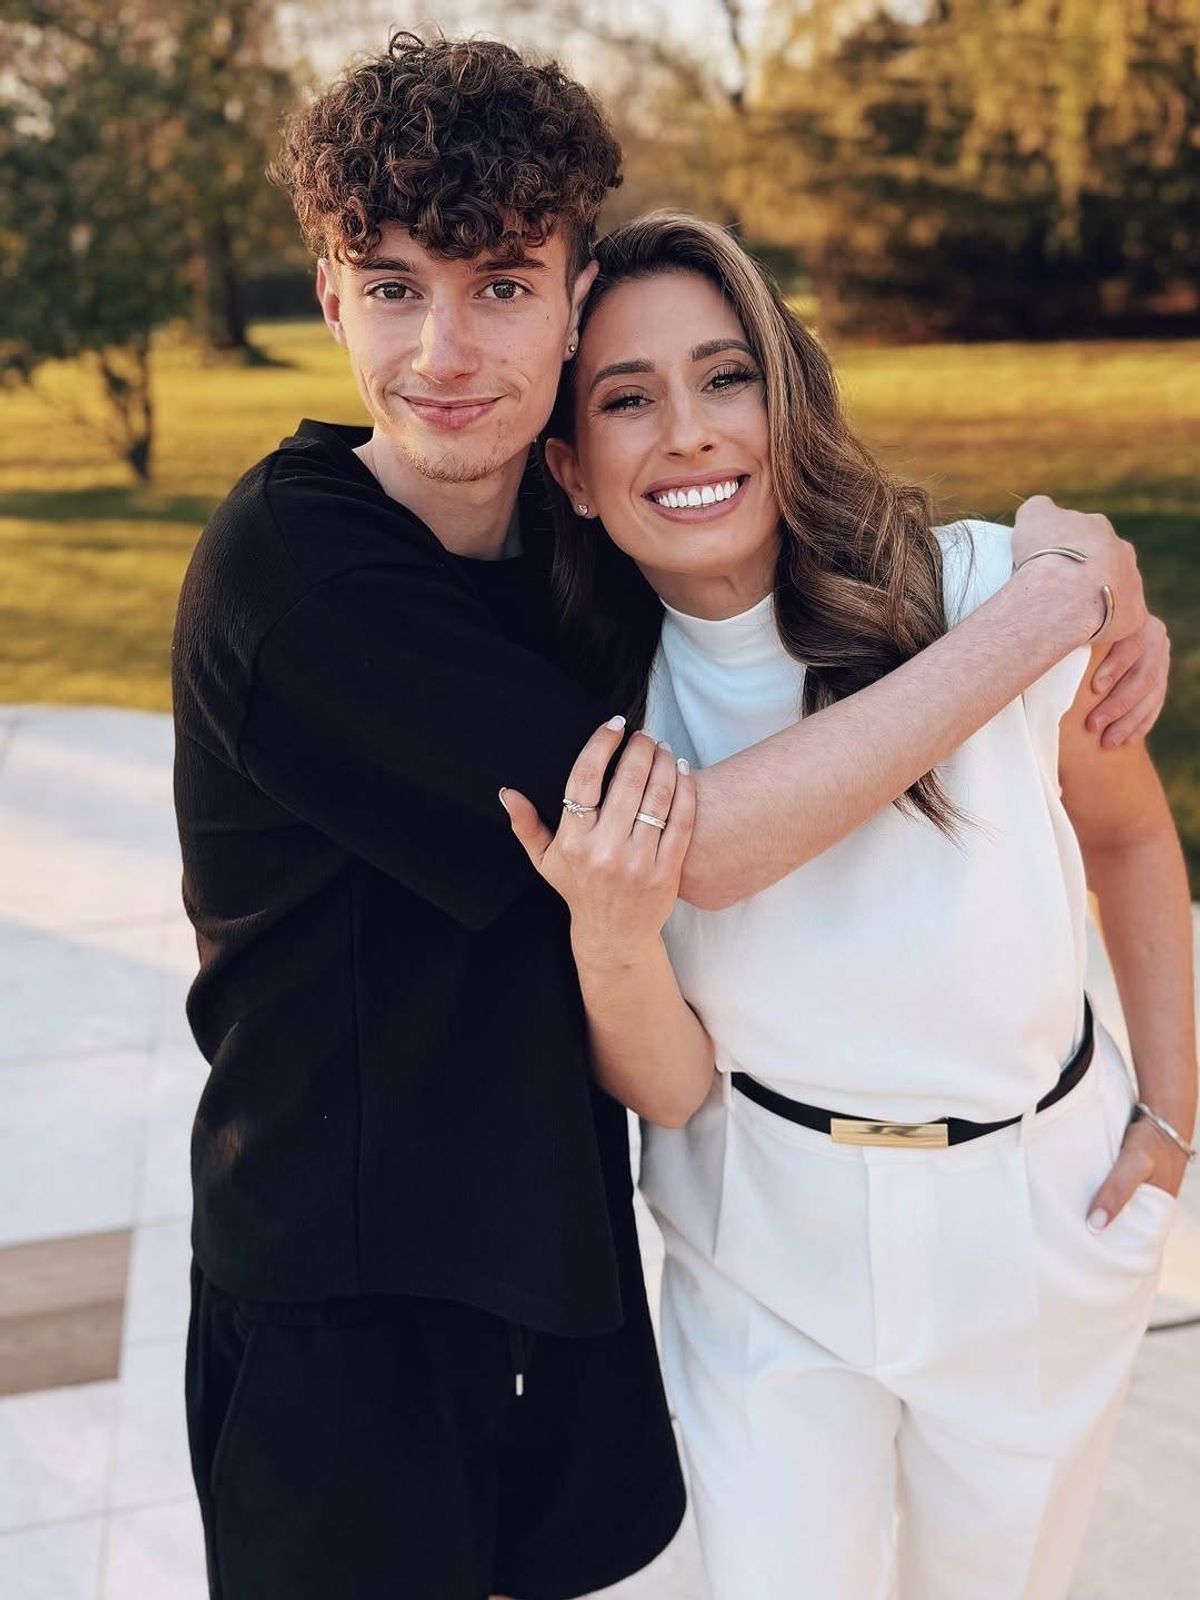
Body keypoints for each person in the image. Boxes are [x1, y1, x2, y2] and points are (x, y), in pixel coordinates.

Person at [172, 33, 1171, 1600]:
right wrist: (1040, 616)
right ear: (328, 299)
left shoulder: (568, 599)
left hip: (553, 1261)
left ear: (568, 304)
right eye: (389, 287)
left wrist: (1065, 560)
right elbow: (692, 839)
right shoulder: (302, 578)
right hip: (347, 1300)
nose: (443, 347)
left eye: (501, 284)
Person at [505, 211, 1197, 1599]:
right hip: (767, 1251)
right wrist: (611, 938)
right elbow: (674, 1087)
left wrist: (1173, 1118)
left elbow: (1128, 840)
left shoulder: (991, 583)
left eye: (727, 376)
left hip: (1032, 1225)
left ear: (787, 389)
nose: (689, 432)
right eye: (628, 400)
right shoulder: (594, 724)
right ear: (573, 474)